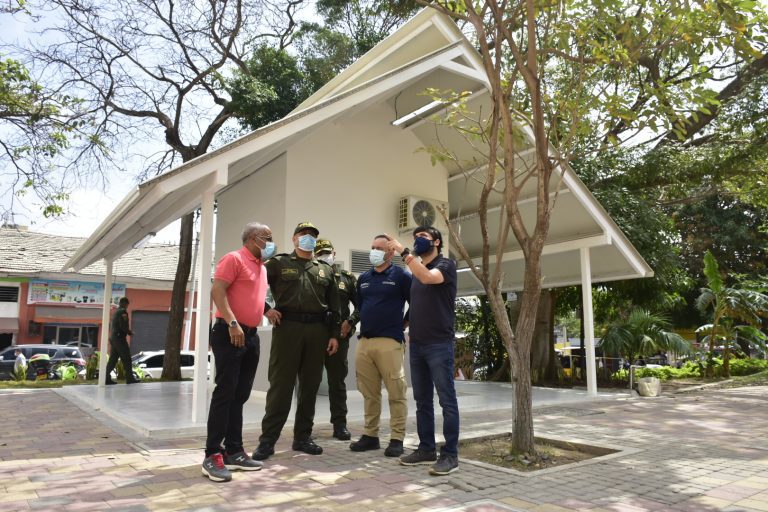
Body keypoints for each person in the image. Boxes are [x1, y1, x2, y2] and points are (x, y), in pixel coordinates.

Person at [252, 221, 341, 461]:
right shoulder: (279, 264)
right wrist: (266, 308)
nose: (308, 238)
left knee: (309, 387)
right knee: (281, 387)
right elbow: (253, 284)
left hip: (318, 331)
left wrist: (333, 334)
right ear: (294, 239)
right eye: (303, 234)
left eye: (312, 235)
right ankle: (267, 441)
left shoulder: (325, 269)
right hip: (287, 328)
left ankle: (303, 437)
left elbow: (335, 306)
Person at [201, 222, 275, 483]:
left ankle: (234, 450)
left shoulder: (261, 267)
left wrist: (267, 310)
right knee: (225, 392)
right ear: (254, 239)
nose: (271, 242)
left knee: (240, 395)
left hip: (251, 335)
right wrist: (232, 322)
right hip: (230, 332)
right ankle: (212, 455)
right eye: (268, 238)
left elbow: (249, 294)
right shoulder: (234, 258)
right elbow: (218, 290)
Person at [387, 227, 460, 476]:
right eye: (415, 238)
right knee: (422, 401)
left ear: (437, 242)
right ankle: (426, 449)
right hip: (416, 344)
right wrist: (403, 326)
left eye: (423, 238)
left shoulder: (446, 264)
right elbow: (416, 302)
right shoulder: (416, 271)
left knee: (447, 401)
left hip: (439, 344)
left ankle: (450, 455)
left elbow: (430, 278)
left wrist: (404, 253)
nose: (418, 241)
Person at [349, 234, 411, 457]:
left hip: (390, 342)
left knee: (396, 392)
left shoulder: (401, 276)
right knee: (369, 393)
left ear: (391, 252)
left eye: (379, 248)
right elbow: (360, 306)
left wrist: (404, 322)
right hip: (364, 342)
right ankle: (370, 435)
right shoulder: (363, 278)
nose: (373, 251)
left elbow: (416, 302)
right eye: (372, 247)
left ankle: (397, 438)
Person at [314, 238, 358, 441]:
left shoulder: (347, 278)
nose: (324, 256)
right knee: (308, 383)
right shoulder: (311, 276)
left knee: (337, 383)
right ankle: (303, 428)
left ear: (334, 253)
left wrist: (350, 321)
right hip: (313, 337)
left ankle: (340, 425)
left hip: (339, 338)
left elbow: (361, 305)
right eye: (320, 253)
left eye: (327, 252)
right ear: (315, 255)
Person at [105, 297, 138, 385]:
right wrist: (129, 332)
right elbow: (123, 325)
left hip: (114, 338)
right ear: (125, 303)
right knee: (127, 358)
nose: (127, 307)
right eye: (127, 305)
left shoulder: (116, 312)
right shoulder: (123, 312)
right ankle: (130, 378)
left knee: (113, 359)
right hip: (119, 339)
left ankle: (105, 378)